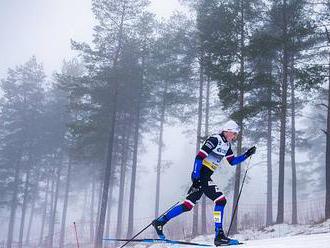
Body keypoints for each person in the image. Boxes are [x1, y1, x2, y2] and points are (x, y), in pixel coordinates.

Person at [152, 120, 256, 246]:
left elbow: (232, 161)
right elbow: (199, 157)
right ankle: (219, 235)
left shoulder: (227, 145)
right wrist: (196, 178)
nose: (235, 137)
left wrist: (247, 154)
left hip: (204, 176)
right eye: (234, 134)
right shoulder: (215, 139)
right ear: (227, 131)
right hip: (201, 174)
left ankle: (160, 222)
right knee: (221, 200)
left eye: (236, 135)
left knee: (187, 205)